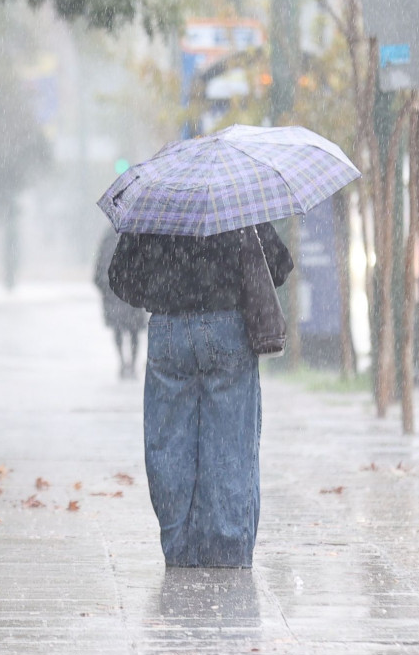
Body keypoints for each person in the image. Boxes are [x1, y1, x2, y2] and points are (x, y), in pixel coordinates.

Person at [108, 223, 292, 568]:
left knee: (169, 442)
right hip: (227, 329)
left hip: (168, 330)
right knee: (230, 441)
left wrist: (163, 292)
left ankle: (179, 546)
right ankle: (226, 548)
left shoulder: (158, 207)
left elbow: (119, 276)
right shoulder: (236, 206)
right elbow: (279, 265)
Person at [93, 229, 148, 377]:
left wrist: (104, 286)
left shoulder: (108, 237)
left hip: (114, 291)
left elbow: (99, 267)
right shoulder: (136, 235)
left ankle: (124, 363)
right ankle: (131, 364)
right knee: (133, 330)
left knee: (119, 329)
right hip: (131, 290)